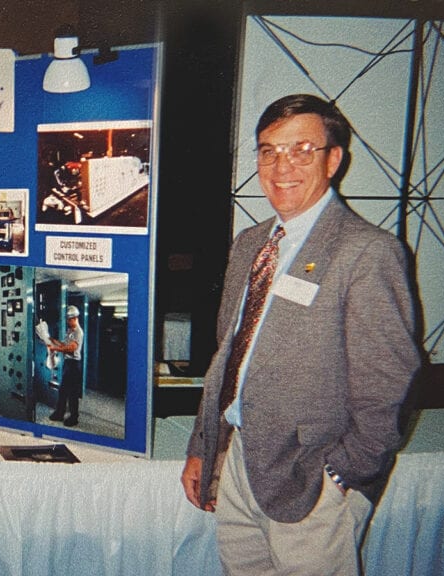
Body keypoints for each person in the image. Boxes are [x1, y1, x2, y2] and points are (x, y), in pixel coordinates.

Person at [180, 94, 421, 575]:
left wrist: (341, 474)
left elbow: (390, 385)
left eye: (301, 149)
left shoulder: (367, 253)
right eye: (269, 150)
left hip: (312, 483)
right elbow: (229, 359)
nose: (281, 165)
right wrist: (203, 448)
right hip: (239, 465)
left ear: (334, 159)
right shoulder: (251, 244)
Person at [48, 304, 84, 427]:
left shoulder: (78, 332)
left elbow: (71, 348)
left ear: (74, 318)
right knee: (63, 390)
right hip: (68, 364)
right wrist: (52, 340)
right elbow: (64, 344)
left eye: (69, 319)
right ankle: (60, 413)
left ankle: (74, 417)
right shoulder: (70, 331)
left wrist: (56, 348)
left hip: (74, 365)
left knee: (73, 393)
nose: (68, 322)